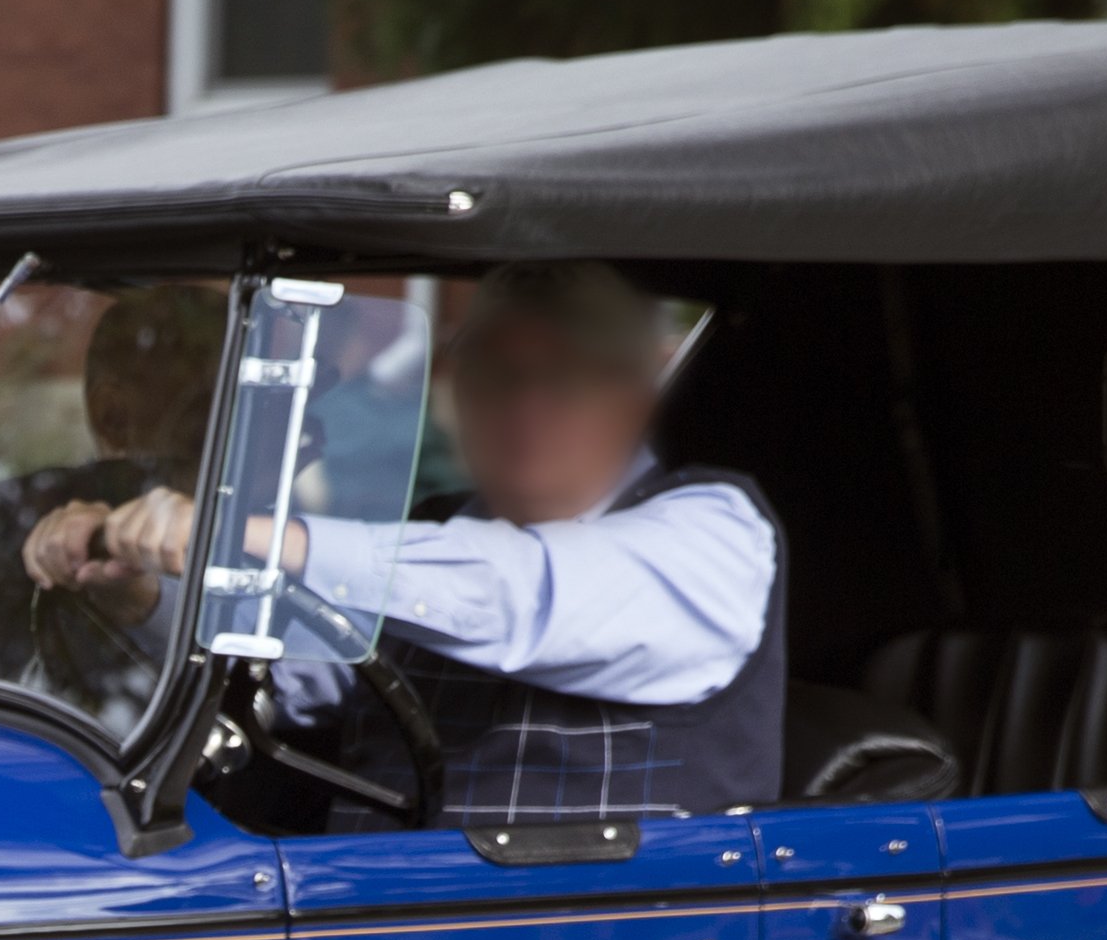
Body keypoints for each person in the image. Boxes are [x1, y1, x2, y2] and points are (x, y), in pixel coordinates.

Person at [47, 260, 782, 824]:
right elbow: (294, 678)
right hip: (370, 930)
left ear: (636, 394)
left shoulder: (711, 533)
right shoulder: (434, 536)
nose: (524, 405)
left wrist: (242, 535)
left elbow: (514, 595)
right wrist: (142, 599)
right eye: (495, 372)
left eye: (563, 375)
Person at [0, 288, 224, 721]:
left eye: (260, 414)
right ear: (112, 416)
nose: (249, 448)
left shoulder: (289, 538)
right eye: (205, 420)